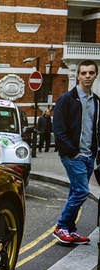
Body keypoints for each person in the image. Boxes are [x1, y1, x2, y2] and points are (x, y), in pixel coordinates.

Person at [52, 60, 100, 246]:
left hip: (89, 156)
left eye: (91, 73)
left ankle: (70, 230)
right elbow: (59, 129)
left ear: (95, 75)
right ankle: (61, 226)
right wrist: (72, 152)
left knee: (75, 191)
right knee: (81, 191)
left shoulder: (96, 101)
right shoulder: (66, 99)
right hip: (73, 156)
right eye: (84, 73)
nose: (87, 76)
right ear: (78, 76)